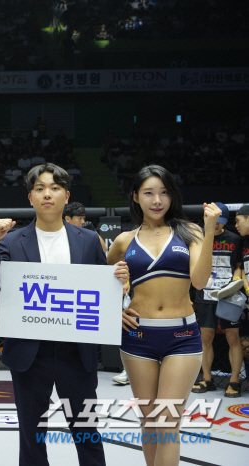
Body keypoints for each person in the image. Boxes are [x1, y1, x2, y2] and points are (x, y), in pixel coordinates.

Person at [0, 163, 129, 466]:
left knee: (86, 431)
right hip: (29, 353)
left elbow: (101, 292)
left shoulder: (88, 240)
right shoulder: (10, 241)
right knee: (32, 436)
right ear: (30, 198)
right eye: (40, 188)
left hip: (77, 352)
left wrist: (119, 283)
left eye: (55, 188)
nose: (47, 194)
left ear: (66, 195)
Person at [107, 165, 221, 466]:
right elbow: (99, 285)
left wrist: (209, 232)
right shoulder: (123, 240)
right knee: (149, 420)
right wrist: (114, 312)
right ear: (135, 197)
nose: (157, 200)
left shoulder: (190, 232)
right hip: (137, 337)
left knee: (167, 423)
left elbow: (199, 281)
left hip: (182, 337)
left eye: (164, 192)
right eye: (148, 193)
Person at [191, 202, 244, 397]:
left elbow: (239, 265)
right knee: (205, 337)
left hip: (229, 294)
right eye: (213, 221)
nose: (216, 226)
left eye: (220, 222)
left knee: (232, 337)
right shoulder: (198, 239)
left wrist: (236, 282)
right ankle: (207, 379)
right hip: (205, 294)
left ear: (225, 222)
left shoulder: (235, 239)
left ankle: (235, 381)